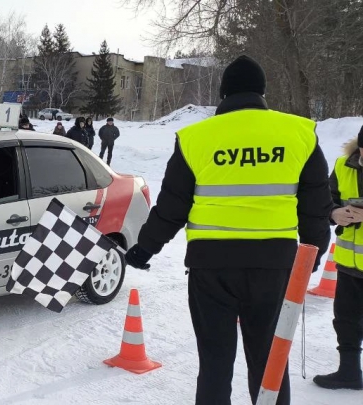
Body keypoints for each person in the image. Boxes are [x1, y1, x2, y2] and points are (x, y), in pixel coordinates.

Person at [123, 55, 332, 405]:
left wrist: (145, 248)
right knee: (269, 362)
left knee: (215, 363)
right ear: (263, 92)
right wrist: (311, 254)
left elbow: (172, 206)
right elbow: (316, 206)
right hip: (274, 264)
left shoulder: (196, 137)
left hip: (211, 267)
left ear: (223, 94)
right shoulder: (299, 133)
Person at [314, 124, 363, 391]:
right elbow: (326, 200)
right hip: (349, 264)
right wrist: (335, 213)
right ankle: (349, 372)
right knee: (345, 320)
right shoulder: (343, 165)